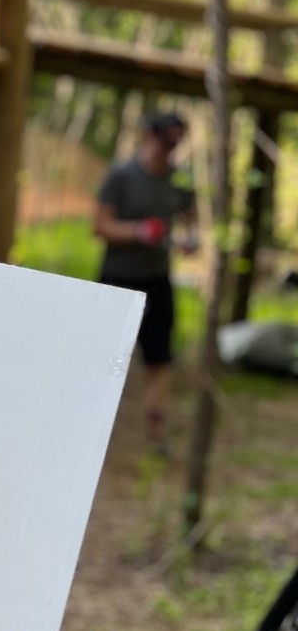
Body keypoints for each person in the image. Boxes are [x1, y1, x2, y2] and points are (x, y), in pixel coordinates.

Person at [94, 110, 197, 453]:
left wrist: (189, 241)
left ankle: (156, 433)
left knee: (159, 358)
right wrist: (137, 231)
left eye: (174, 145)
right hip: (117, 280)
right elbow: (100, 226)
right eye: (164, 142)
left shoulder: (180, 181)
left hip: (157, 280)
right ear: (148, 136)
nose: (167, 151)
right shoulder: (122, 176)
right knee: (106, 358)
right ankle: (93, 427)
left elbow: (191, 223)